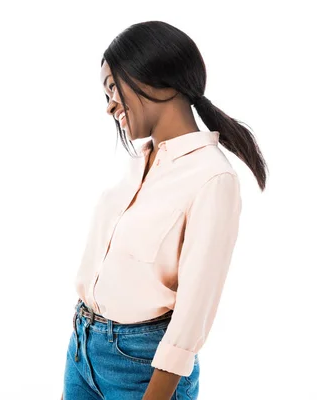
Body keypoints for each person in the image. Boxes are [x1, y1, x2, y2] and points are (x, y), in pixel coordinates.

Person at [63, 21, 267, 400]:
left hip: (142, 366)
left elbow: (193, 313)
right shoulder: (139, 166)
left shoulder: (212, 177)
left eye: (113, 87)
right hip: (82, 346)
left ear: (161, 81)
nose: (109, 104)